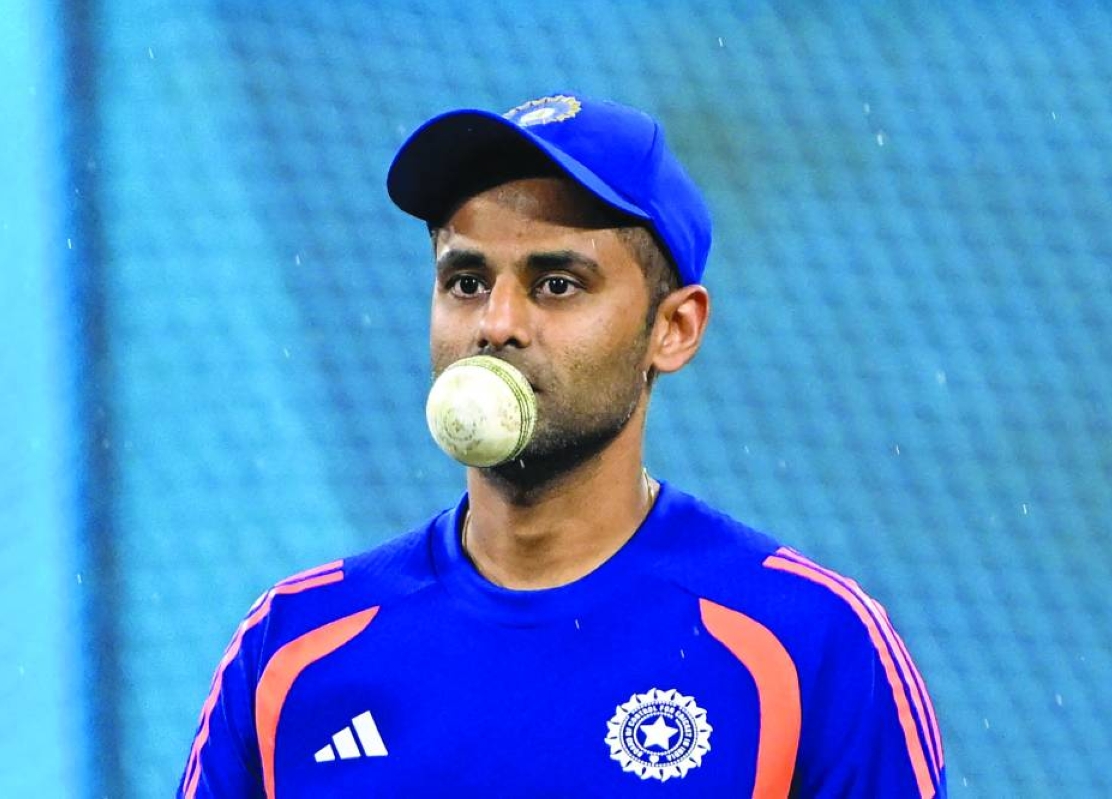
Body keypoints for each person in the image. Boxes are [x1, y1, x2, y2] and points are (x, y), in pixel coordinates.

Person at [178, 92, 946, 798]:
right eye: (467, 281)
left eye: (557, 284)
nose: (496, 323)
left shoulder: (809, 645)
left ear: (674, 329)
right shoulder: (296, 647)